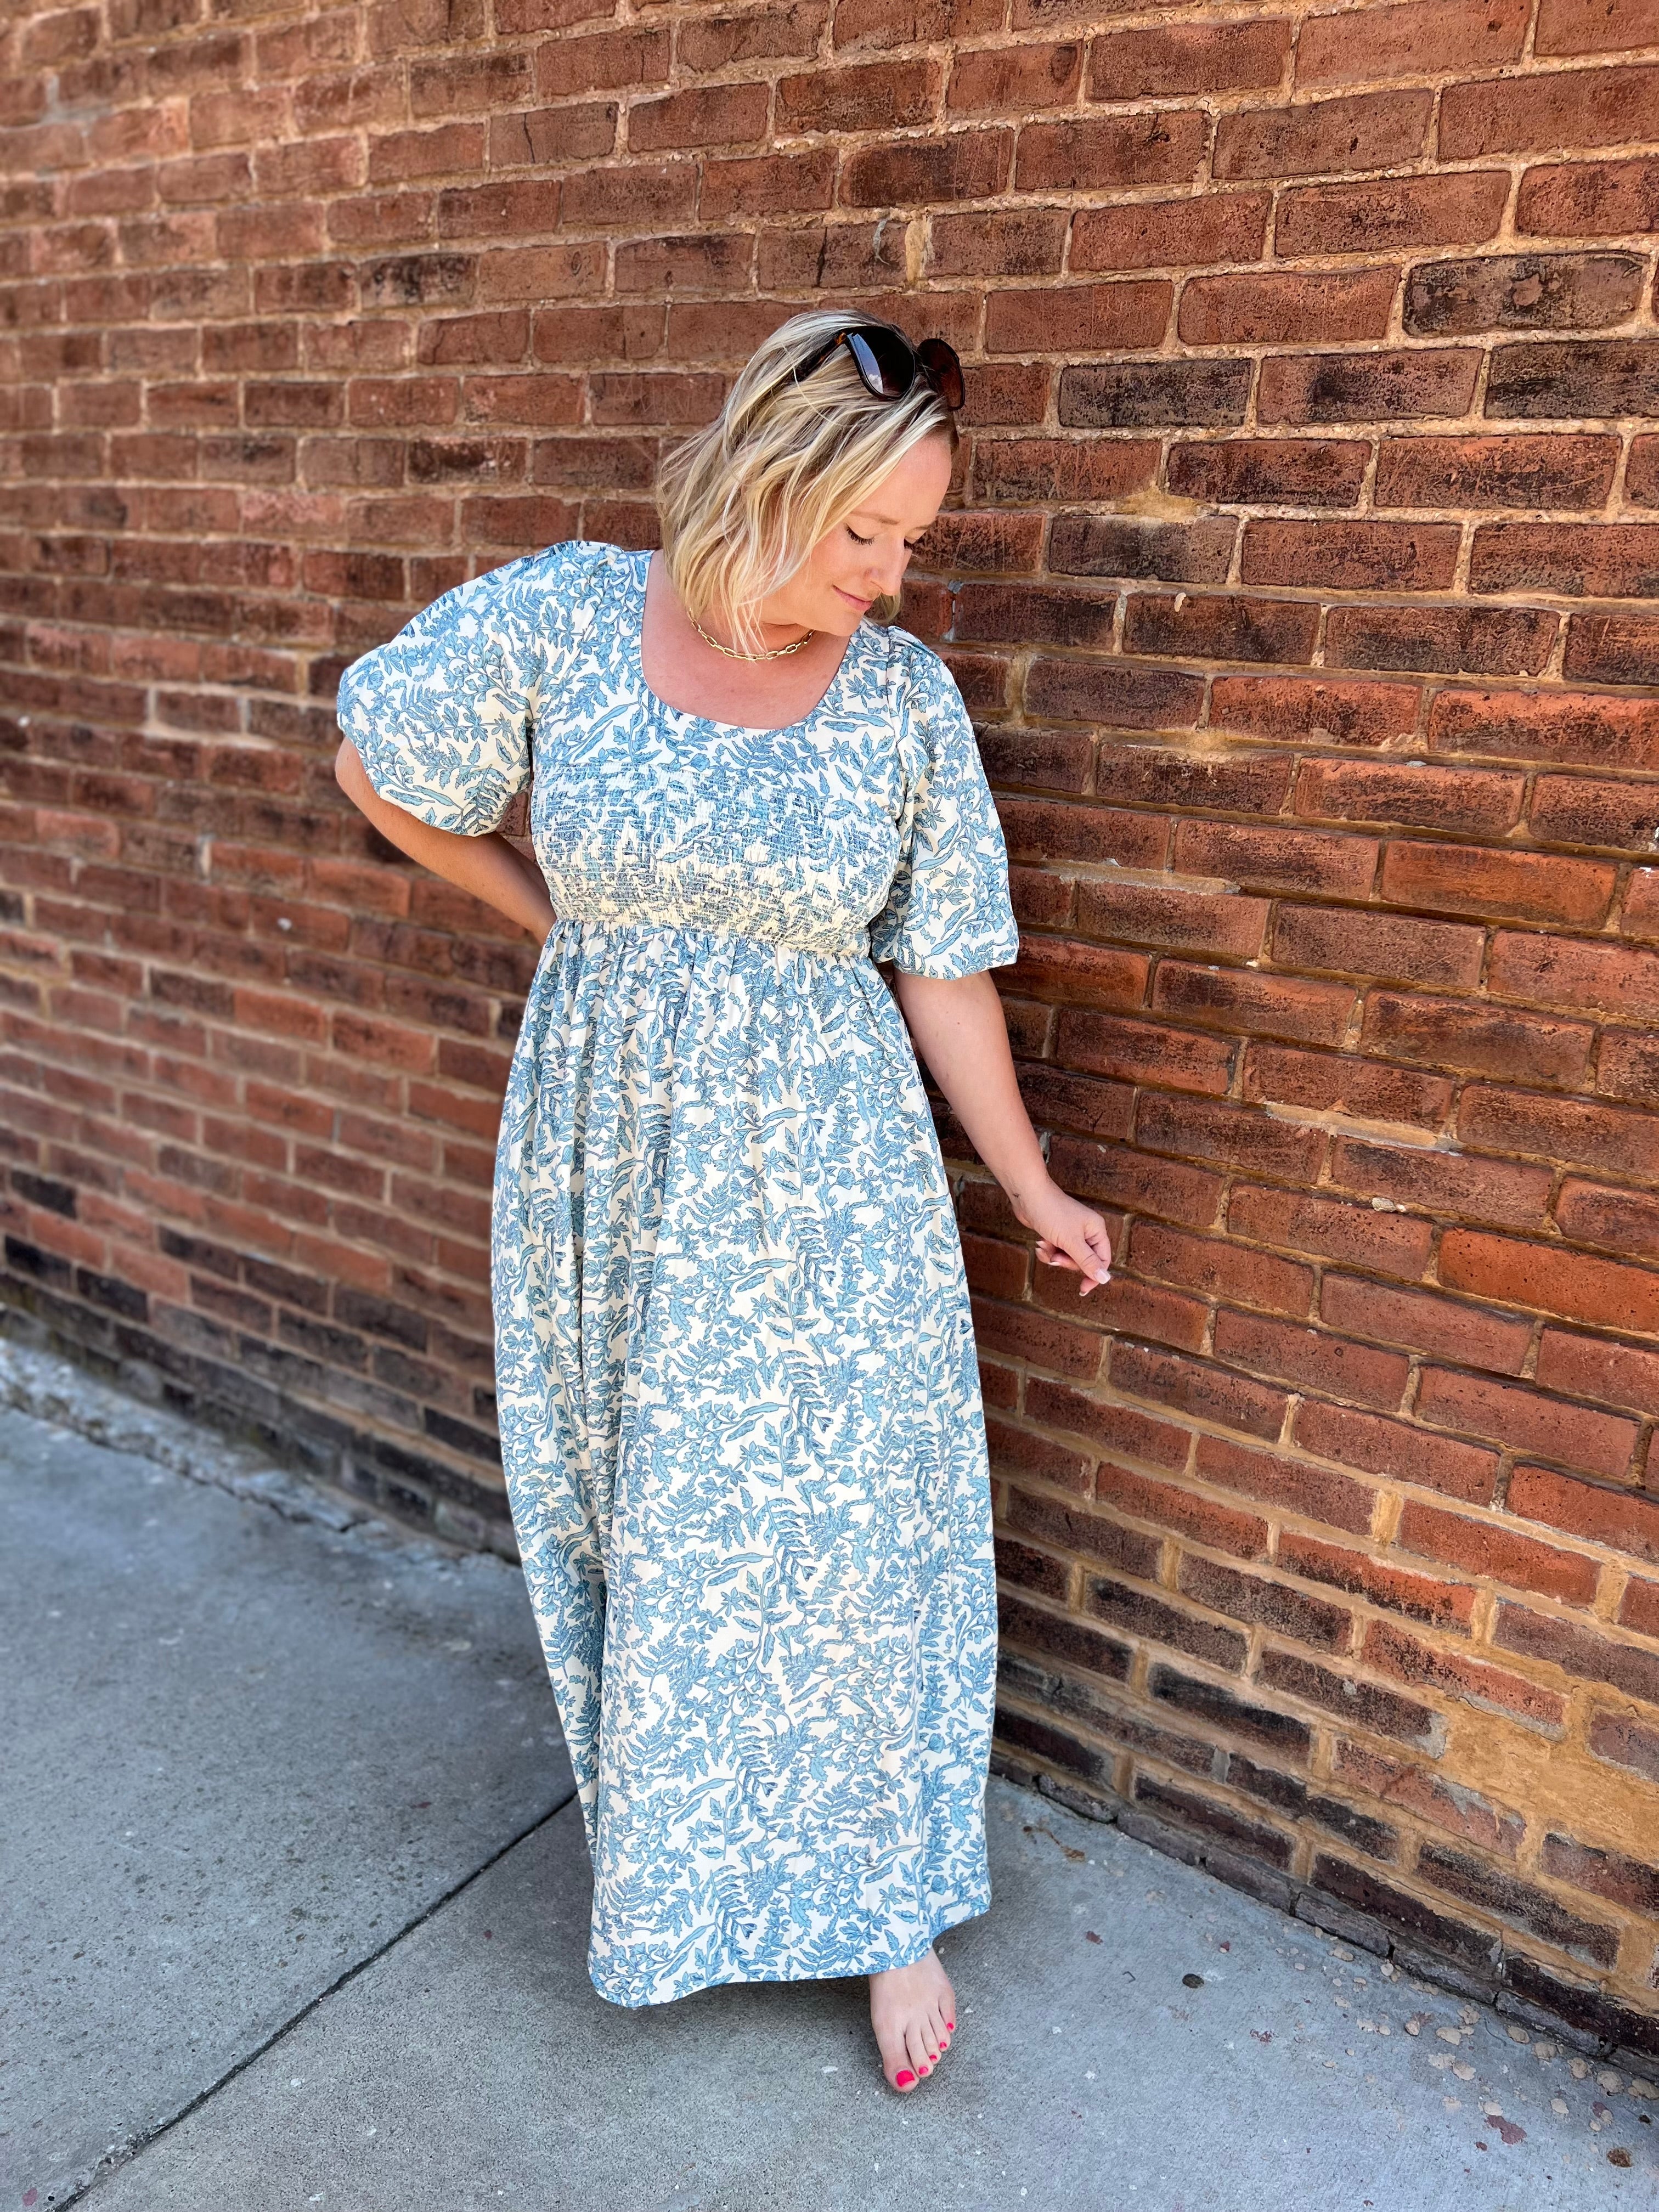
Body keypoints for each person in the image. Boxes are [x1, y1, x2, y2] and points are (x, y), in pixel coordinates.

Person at [332, 308, 1114, 2096]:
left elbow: (944, 966)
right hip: (612, 1157)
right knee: (653, 1516)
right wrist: (563, 923)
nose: (889, 573)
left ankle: (882, 1903)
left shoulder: (904, 696)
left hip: (835, 1172)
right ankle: (683, 1882)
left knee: (848, 1530)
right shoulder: (568, 615)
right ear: (773, 477)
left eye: (913, 538)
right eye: (863, 532)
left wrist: (1030, 1178)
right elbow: (381, 761)